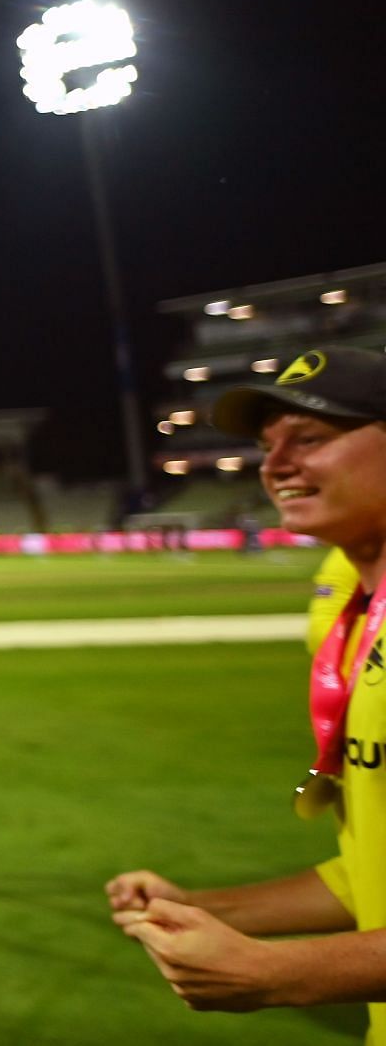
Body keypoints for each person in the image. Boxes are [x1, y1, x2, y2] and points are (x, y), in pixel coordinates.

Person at [106, 346, 386, 1029]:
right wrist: (205, 906)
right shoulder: (347, 613)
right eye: (269, 445)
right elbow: (368, 875)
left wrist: (279, 972)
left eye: (311, 439)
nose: (275, 465)